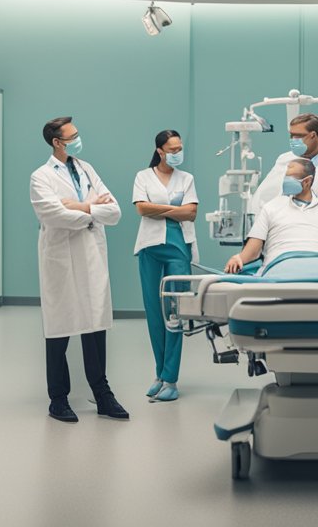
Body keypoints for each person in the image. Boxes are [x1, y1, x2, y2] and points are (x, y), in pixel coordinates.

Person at [30, 116, 128, 423]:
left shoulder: (86, 169)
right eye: (72, 137)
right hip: (59, 257)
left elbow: (115, 211)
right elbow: (53, 215)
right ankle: (58, 399)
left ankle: (102, 394)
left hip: (91, 255)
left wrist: (77, 206)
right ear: (57, 142)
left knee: (95, 324)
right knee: (59, 328)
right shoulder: (41, 176)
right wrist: (90, 209)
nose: (78, 140)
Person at [132, 130, 198, 403]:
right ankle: (159, 374)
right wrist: (173, 209)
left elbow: (191, 213)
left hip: (178, 248)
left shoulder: (187, 178)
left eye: (179, 147)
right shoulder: (143, 176)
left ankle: (171, 379)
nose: (177, 152)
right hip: (150, 247)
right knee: (153, 312)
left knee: (175, 313)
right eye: (172, 149)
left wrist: (157, 208)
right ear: (160, 151)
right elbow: (140, 210)